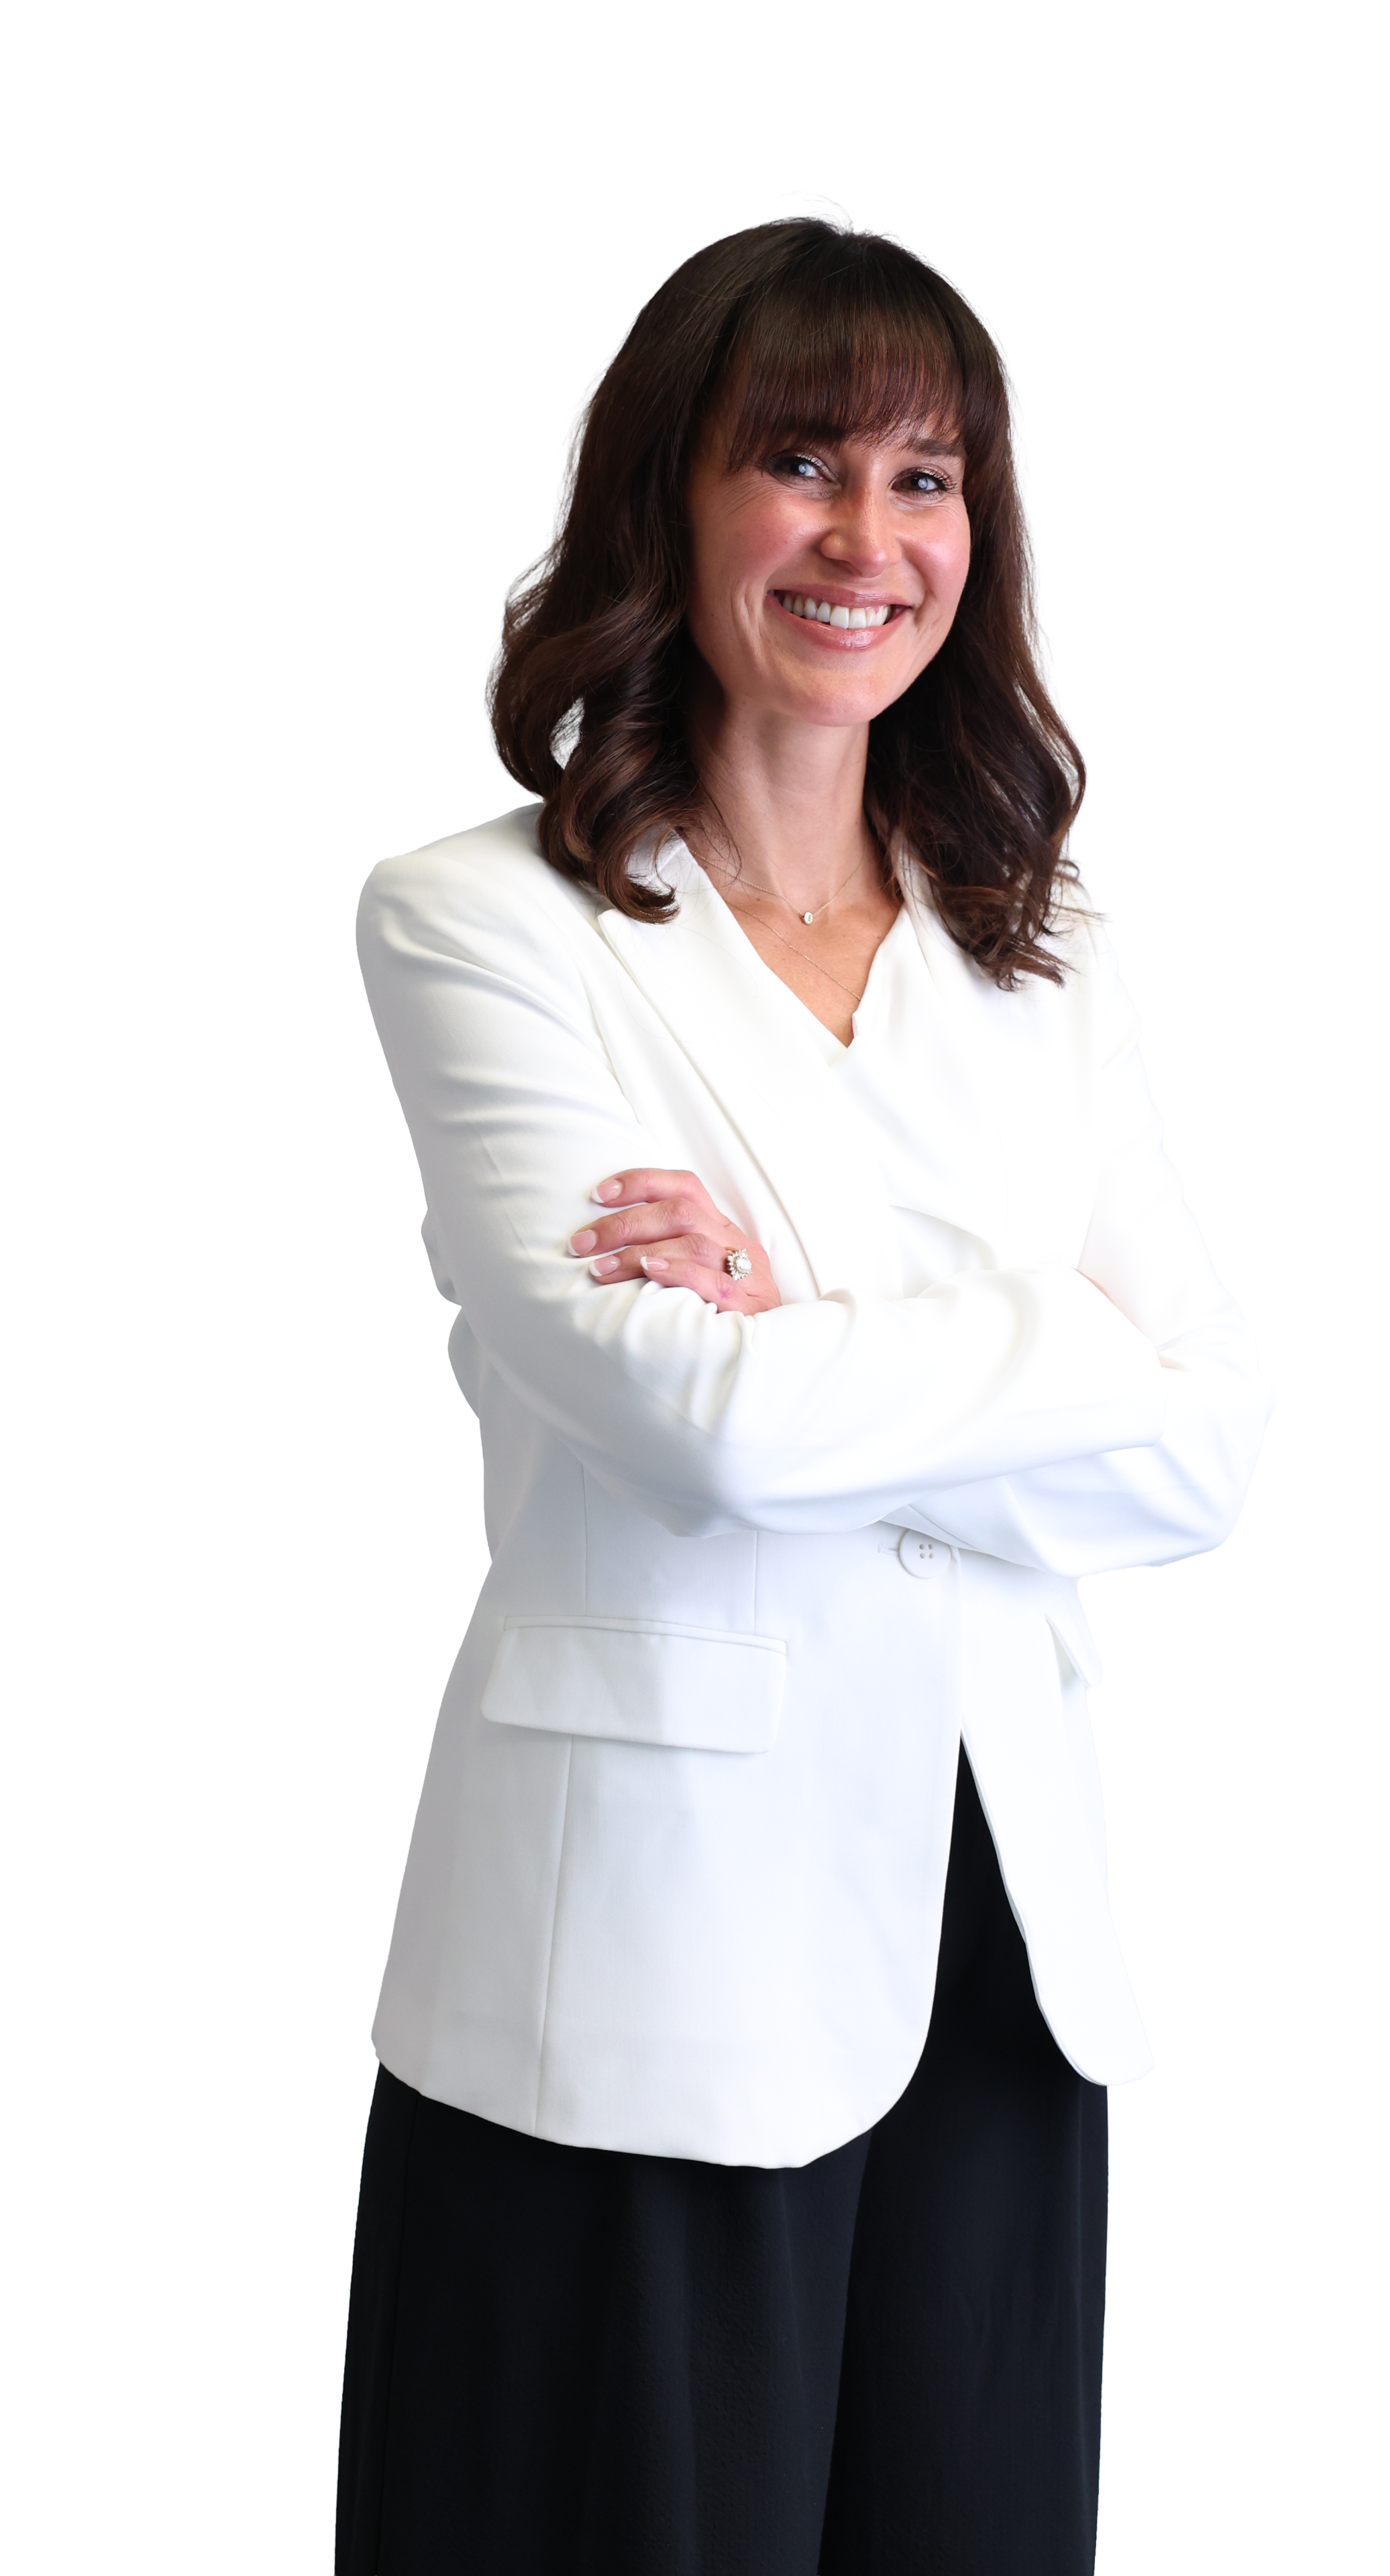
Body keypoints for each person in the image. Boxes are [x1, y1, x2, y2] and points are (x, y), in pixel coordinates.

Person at [338, 197, 1275, 2575]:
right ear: (671, 496)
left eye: (930, 478)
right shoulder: (483, 924)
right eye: (803, 464)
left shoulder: (1037, 952)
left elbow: (1210, 1442)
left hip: (995, 1951)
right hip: (644, 1960)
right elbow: (689, 1423)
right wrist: (1042, 1347)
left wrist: (812, 1319)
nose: (871, 538)